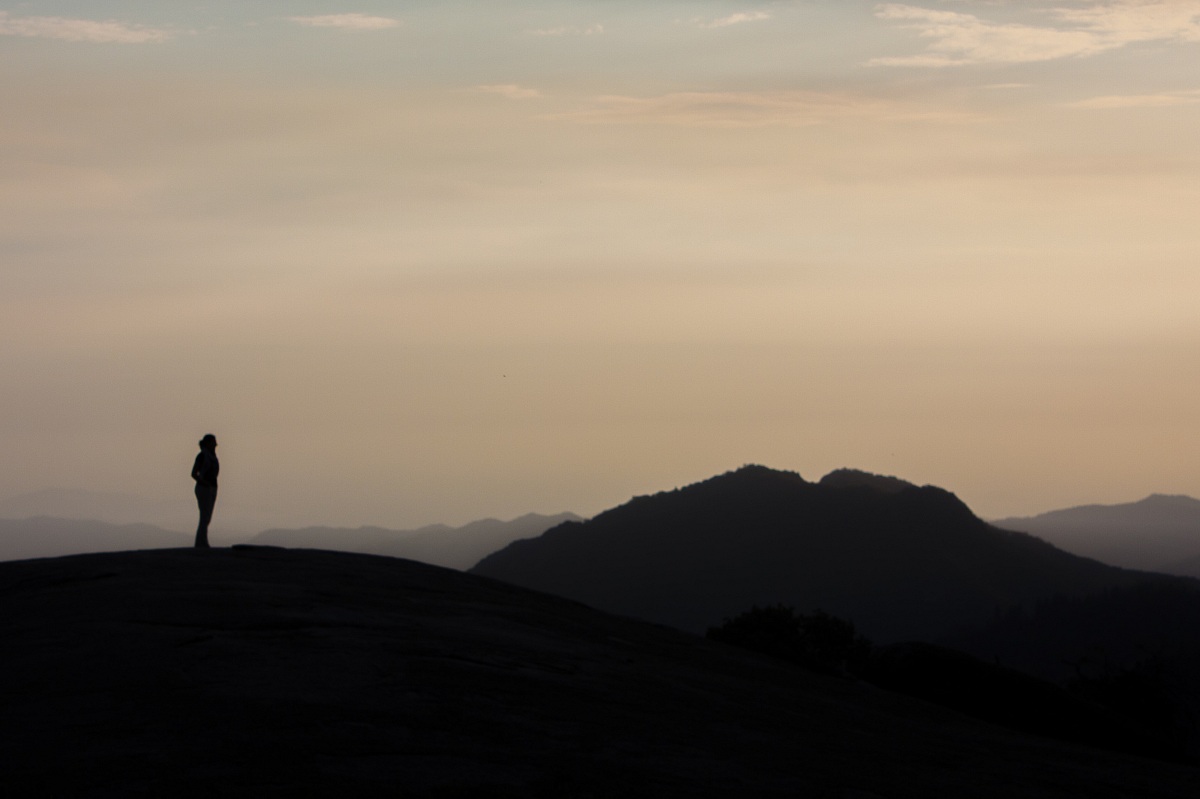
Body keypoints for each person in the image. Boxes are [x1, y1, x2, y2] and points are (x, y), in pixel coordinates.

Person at [191, 434, 219, 548]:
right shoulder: (202, 456)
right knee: (204, 516)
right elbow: (194, 473)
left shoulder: (212, 456)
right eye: (213, 442)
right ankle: (201, 543)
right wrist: (204, 482)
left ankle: (202, 541)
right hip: (204, 488)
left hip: (212, 488)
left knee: (207, 517)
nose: (215, 444)